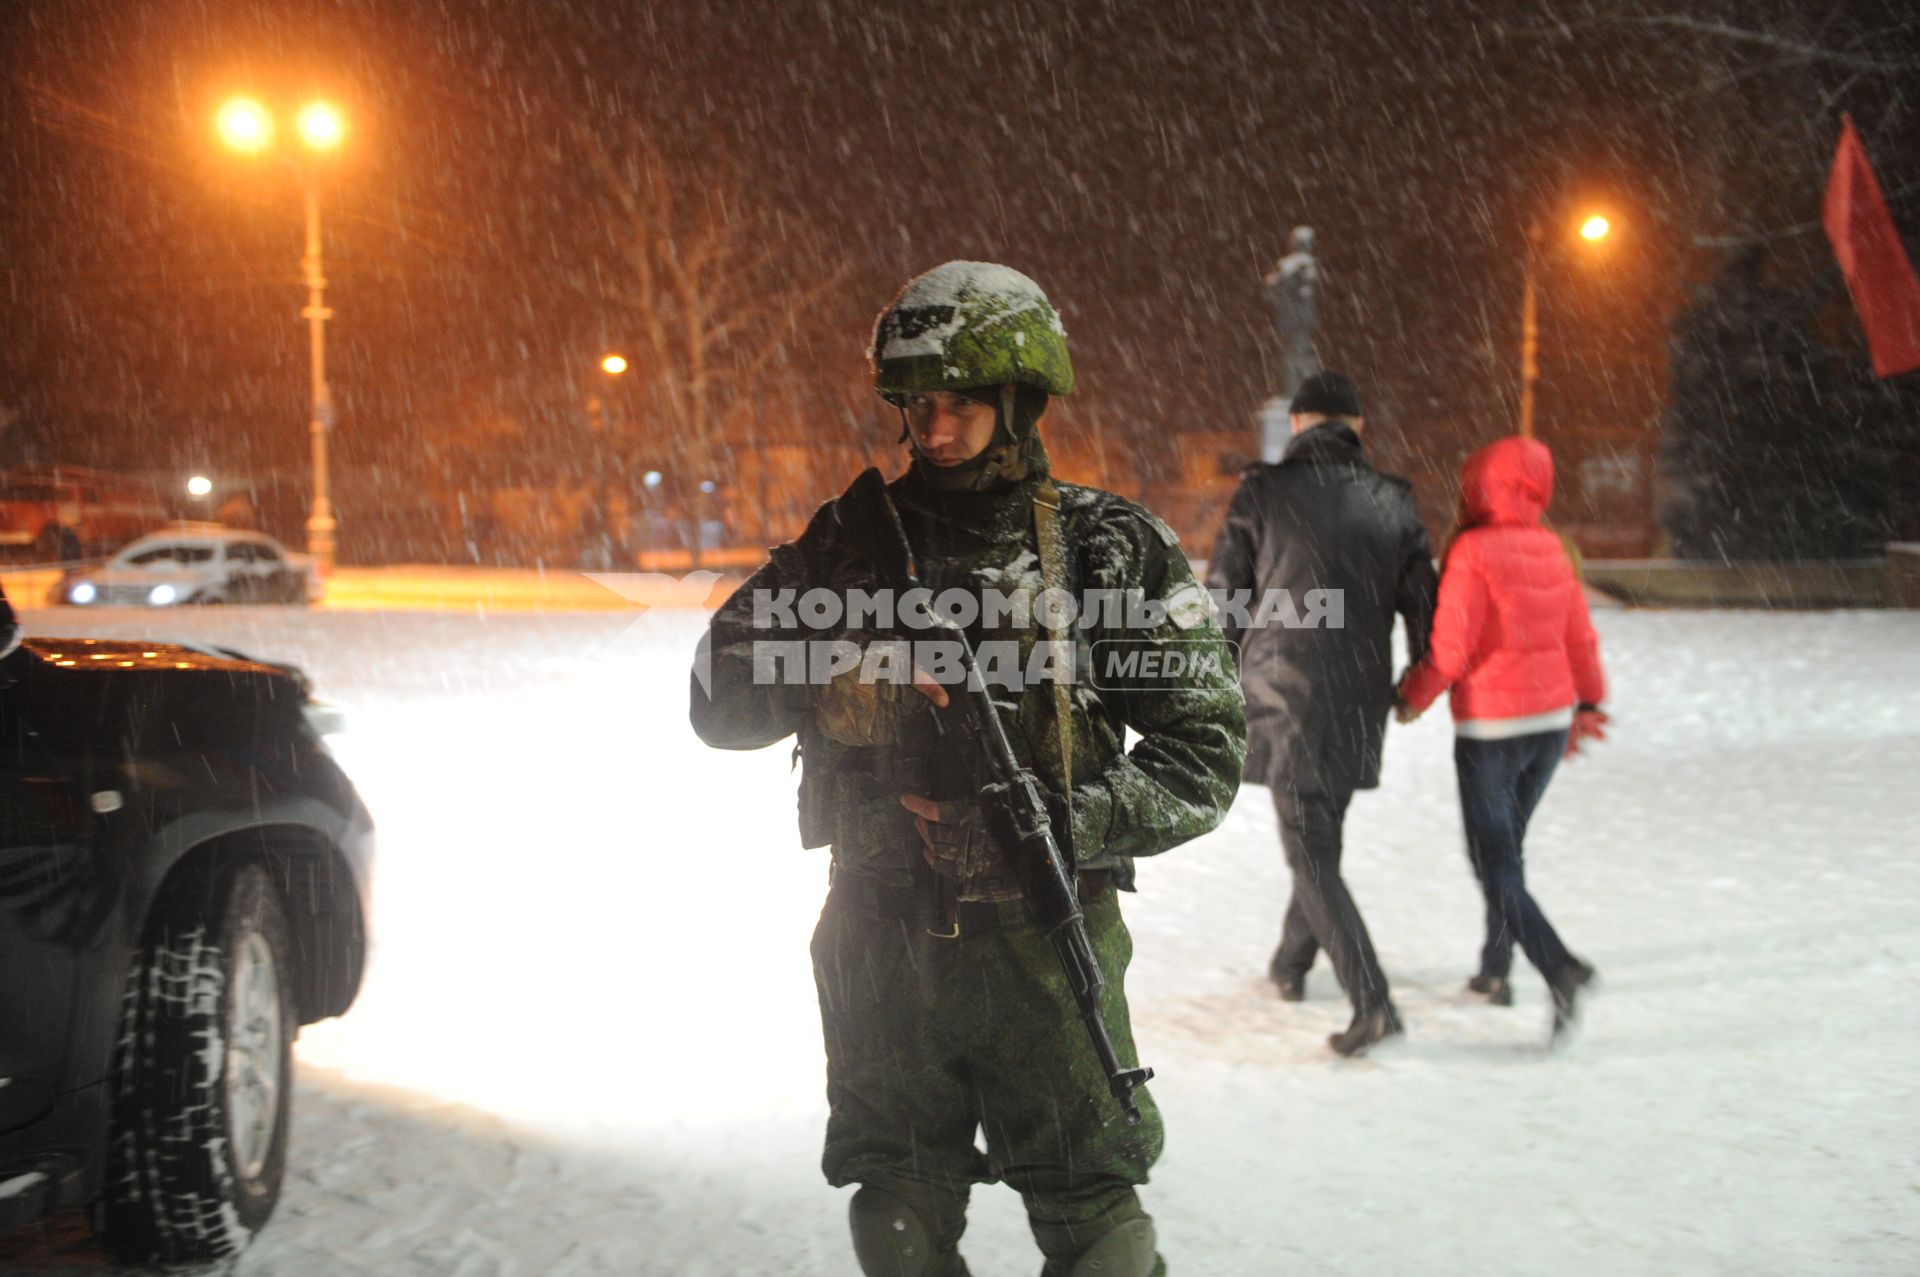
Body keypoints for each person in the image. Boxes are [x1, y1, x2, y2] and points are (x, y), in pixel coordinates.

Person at [690, 261, 1245, 1277]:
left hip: (1044, 932)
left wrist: (1065, 814)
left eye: (958, 403)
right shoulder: (850, 542)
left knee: (1097, 1227)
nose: (931, 427)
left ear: (1019, 398)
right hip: (880, 937)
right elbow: (717, 702)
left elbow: (1204, 751)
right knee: (897, 1215)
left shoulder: (1104, 548)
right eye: (916, 403)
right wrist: (852, 664)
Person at [1205, 370, 1437, 1057]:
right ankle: (1290, 964)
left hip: (1282, 693)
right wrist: (1417, 674)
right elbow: (1423, 598)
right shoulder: (1394, 500)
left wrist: (1216, 673)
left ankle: (1374, 1001)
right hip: (1360, 696)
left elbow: (1225, 593)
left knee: (1310, 851)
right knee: (1319, 837)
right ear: (1356, 427)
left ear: (1298, 422)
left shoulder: (1264, 490)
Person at [1394, 435, 1608, 1037]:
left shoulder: (1473, 550)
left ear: (1477, 486)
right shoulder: (1552, 548)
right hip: (1548, 725)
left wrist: (1412, 696)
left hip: (1493, 729)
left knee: (1493, 861)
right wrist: (1589, 701)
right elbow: (1580, 637)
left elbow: (1451, 652)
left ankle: (1557, 963)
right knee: (1507, 853)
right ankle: (1495, 969)